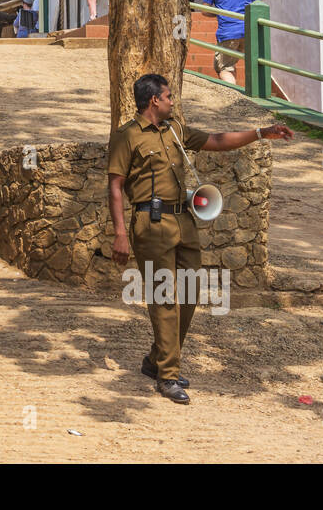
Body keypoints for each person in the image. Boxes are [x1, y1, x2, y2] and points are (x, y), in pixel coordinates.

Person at [108, 73, 293, 404]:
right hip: (149, 224)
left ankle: (156, 361)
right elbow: (115, 185)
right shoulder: (128, 136)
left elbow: (218, 140)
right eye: (168, 97)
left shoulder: (175, 130)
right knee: (164, 297)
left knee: (191, 293)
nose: (171, 101)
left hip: (184, 219)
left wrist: (261, 133)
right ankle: (167, 376)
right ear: (154, 101)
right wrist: (120, 233)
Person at [201, 0, 261, 84]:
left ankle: (232, 94)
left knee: (224, 68)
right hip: (248, 32)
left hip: (228, 33)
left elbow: (204, 10)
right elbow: (258, 8)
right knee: (233, 64)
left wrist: (219, 13)